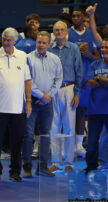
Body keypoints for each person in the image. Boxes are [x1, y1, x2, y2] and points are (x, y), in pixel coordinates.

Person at [0, 28, 32, 182]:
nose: (6, 43)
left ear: (15, 41)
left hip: (18, 108)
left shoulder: (23, 56)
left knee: (16, 143)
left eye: (9, 40)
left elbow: (27, 80)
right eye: (4, 39)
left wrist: (29, 102)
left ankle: (15, 171)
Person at [22, 31, 63, 178]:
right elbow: (27, 80)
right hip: (31, 101)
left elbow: (58, 79)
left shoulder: (55, 59)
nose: (41, 45)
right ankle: (26, 167)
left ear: (49, 44)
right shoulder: (27, 58)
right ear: (36, 42)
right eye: (39, 42)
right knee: (28, 134)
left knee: (45, 134)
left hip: (47, 102)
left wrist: (49, 96)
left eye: (44, 43)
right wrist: (41, 95)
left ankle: (43, 167)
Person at [48, 21, 83, 174]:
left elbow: (79, 72)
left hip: (69, 88)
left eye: (62, 29)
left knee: (69, 126)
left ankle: (69, 162)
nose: (59, 32)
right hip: (53, 90)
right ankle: (55, 161)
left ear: (66, 32)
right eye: (57, 30)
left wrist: (77, 94)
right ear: (53, 32)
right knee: (53, 126)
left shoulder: (74, 48)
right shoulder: (49, 49)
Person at [68, 9, 100, 158]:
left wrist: (87, 53)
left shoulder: (90, 34)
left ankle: (79, 145)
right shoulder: (67, 33)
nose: (75, 18)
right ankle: (68, 145)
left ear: (83, 17)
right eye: (73, 16)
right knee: (68, 113)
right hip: (70, 77)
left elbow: (97, 58)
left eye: (78, 16)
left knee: (81, 112)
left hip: (86, 77)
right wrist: (76, 50)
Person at [84, 39, 108, 174]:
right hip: (95, 109)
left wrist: (99, 79)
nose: (104, 50)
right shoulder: (94, 64)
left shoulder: (96, 69)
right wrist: (104, 82)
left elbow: (95, 81)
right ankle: (91, 165)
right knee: (92, 140)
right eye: (102, 48)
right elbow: (89, 83)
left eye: (106, 47)